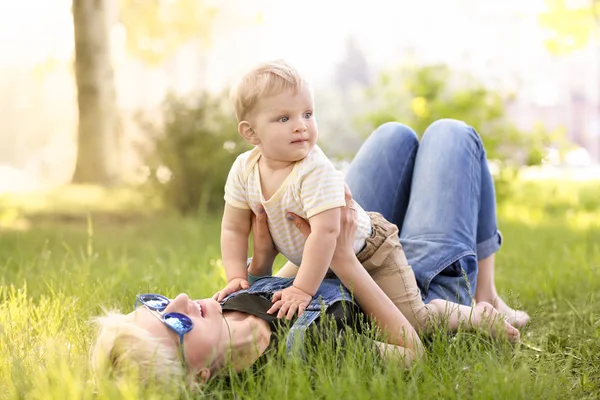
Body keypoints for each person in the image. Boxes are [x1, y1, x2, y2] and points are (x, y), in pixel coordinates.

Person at [215, 59, 525, 336]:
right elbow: (233, 228)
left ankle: (479, 311)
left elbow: (327, 234)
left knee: (416, 320)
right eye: (284, 119)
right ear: (250, 133)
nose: (301, 126)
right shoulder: (245, 168)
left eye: (308, 114)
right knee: (445, 134)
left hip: (374, 254)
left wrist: (300, 289)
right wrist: (237, 278)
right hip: (333, 264)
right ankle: (482, 300)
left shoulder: (313, 170)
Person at [92, 196, 426, 390]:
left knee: (391, 137)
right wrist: (343, 260)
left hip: (358, 236)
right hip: (401, 271)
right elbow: (412, 354)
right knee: (450, 134)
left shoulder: (222, 308)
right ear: (199, 375)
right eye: (176, 324)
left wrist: (264, 264)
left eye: (157, 305)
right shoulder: (307, 349)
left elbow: (290, 284)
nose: (180, 300)